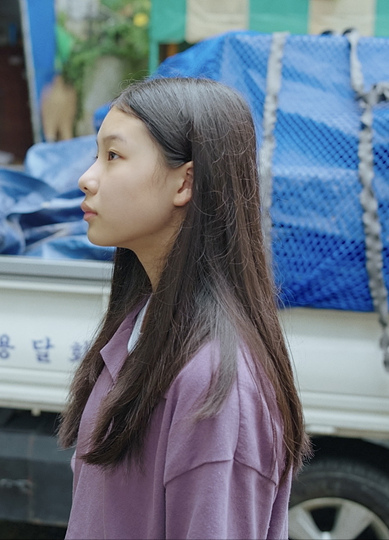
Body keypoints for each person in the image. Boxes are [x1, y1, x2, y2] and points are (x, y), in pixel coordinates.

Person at [59, 77, 311, 539]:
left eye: (113, 156)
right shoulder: (138, 329)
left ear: (186, 182)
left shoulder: (215, 385)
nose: (86, 178)